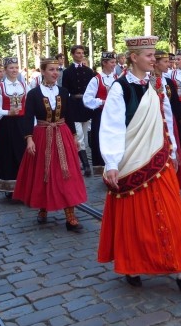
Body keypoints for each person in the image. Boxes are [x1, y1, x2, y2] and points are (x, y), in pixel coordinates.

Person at [98, 35, 181, 291]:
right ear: (134, 58)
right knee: (135, 221)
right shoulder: (119, 88)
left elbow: (165, 118)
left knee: (174, 215)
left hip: (159, 159)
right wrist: (111, 162)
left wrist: (173, 151)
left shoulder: (158, 85)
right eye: (149, 55)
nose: (153, 59)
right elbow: (111, 127)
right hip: (132, 161)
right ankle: (132, 264)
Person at [14, 58, 88, 231]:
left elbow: (68, 115)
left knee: (66, 174)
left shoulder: (63, 92)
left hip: (62, 134)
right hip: (42, 135)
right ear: (43, 71)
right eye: (51, 69)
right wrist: (29, 138)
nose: (55, 73)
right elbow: (27, 117)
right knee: (44, 173)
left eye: (57, 70)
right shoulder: (33, 94)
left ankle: (71, 216)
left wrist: (75, 137)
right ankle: (43, 208)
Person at [0, 57, 28, 197]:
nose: (14, 70)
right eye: (11, 68)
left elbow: (30, 105)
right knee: (7, 155)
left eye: (16, 67)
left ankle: (23, 185)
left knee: (23, 154)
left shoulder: (24, 86)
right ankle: (10, 187)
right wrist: (7, 112)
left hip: (21, 125)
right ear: (4, 70)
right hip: (5, 126)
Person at [153, 50, 181, 189]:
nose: (169, 64)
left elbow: (175, 105)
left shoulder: (169, 82)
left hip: (170, 123)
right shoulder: (148, 82)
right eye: (166, 62)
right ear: (156, 63)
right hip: (155, 126)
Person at [61, 45, 97, 177]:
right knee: (79, 136)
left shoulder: (88, 71)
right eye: (77, 53)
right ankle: (86, 165)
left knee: (85, 136)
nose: (80, 55)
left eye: (82, 53)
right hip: (74, 105)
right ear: (72, 55)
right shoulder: (67, 72)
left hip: (86, 106)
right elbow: (65, 91)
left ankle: (83, 162)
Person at [83, 51, 119, 176]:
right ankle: (102, 168)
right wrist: (102, 101)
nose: (114, 65)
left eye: (115, 62)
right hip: (101, 115)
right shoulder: (96, 80)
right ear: (104, 63)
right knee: (101, 139)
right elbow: (87, 99)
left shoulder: (116, 78)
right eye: (112, 62)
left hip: (114, 115)